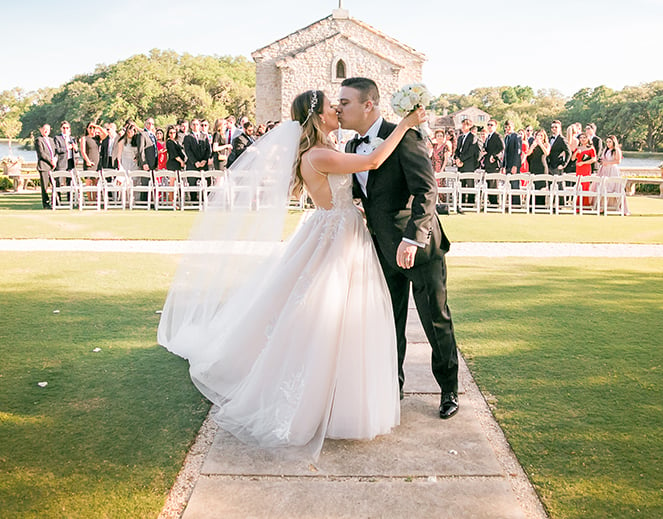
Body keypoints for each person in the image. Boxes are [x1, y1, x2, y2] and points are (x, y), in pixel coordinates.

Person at [158, 89, 426, 460]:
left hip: (339, 227)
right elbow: (376, 160)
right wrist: (407, 125)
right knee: (327, 314)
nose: (337, 110)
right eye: (332, 107)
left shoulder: (319, 151)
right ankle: (321, 402)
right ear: (317, 117)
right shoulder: (319, 154)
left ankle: (338, 396)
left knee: (340, 313)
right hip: (338, 236)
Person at [338, 77, 459, 421]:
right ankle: (394, 385)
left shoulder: (405, 135)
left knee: (436, 320)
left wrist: (412, 238)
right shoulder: (350, 148)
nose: (339, 108)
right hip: (380, 249)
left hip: (420, 248)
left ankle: (448, 389)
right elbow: (367, 194)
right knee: (389, 322)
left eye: (345, 102)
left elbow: (427, 191)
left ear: (368, 105)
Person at [454, 118, 480, 206]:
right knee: (462, 184)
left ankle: (470, 202)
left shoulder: (473, 137)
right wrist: (457, 158)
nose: (462, 126)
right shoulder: (461, 137)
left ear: (469, 126)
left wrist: (461, 159)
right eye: (462, 124)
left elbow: (471, 151)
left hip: (469, 164)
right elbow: (457, 149)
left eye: (464, 125)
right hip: (460, 164)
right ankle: (461, 202)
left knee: (469, 184)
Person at [35, 123, 57, 208]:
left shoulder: (51, 140)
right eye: (44, 129)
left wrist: (55, 160)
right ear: (41, 130)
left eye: (47, 129)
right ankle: (46, 203)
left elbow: (55, 152)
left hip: (53, 166)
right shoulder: (39, 140)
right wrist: (50, 161)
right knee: (45, 187)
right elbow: (41, 154)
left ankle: (55, 201)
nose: (46, 131)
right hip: (44, 166)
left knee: (55, 184)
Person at [527, 129, 550, 206]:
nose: (539, 137)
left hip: (542, 167)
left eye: (541, 135)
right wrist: (533, 146)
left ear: (544, 137)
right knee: (533, 185)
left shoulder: (546, 144)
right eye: (537, 135)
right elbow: (528, 154)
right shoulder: (533, 143)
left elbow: (546, 153)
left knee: (541, 186)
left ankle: (541, 205)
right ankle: (531, 205)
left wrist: (540, 144)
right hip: (534, 166)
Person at [574, 132, 597, 208]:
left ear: (588, 139)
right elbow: (573, 158)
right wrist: (576, 152)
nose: (582, 139)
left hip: (586, 168)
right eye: (581, 138)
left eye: (584, 138)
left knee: (585, 186)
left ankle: (585, 205)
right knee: (578, 185)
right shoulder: (578, 148)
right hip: (578, 169)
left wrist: (583, 163)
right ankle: (578, 205)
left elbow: (594, 159)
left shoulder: (591, 148)